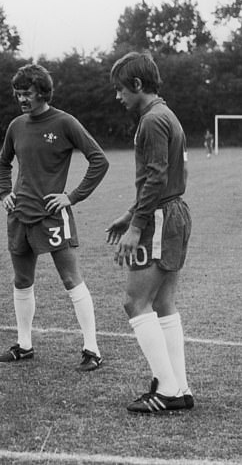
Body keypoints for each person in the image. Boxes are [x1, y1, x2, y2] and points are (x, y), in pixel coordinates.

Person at [0, 64, 109, 371]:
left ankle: (92, 350)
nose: (21, 99)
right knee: (22, 281)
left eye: (27, 93)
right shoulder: (16, 125)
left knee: (71, 280)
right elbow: (3, 162)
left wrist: (71, 197)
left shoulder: (65, 122)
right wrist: (5, 192)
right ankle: (24, 345)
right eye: (17, 93)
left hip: (53, 217)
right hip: (20, 216)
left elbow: (99, 160)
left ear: (42, 92)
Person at [106, 51, 193, 413]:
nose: (118, 96)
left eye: (120, 89)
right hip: (172, 212)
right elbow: (167, 175)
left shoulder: (152, 120)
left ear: (137, 85)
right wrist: (130, 214)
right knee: (162, 303)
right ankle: (179, 387)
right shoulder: (165, 114)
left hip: (159, 217)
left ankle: (168, 389)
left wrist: (138, 225)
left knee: (135, 302)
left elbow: (156, 176)